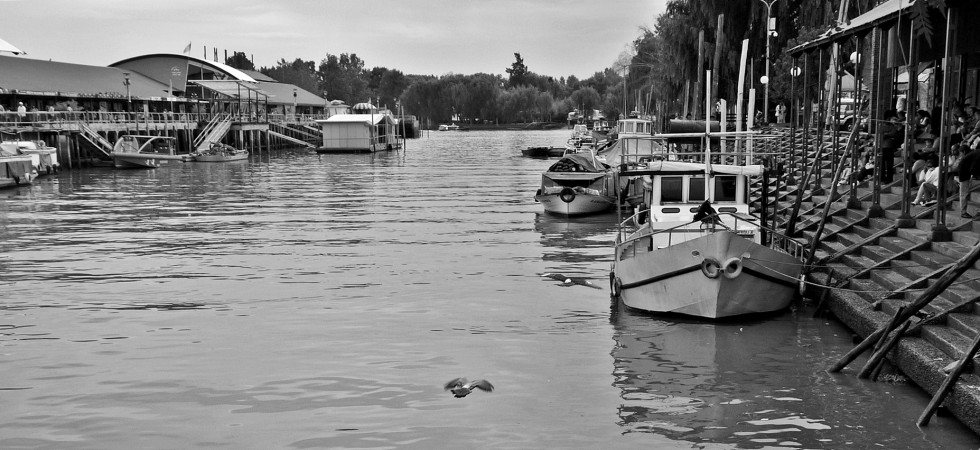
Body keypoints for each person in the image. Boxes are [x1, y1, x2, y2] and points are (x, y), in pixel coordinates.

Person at [879, 109, 903, 183]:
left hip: (890, 147)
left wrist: (887, 134)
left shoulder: (892, 126)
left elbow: (894, 133)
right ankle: (882, 178)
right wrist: (888, 134)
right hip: (883, 147)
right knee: (882, 164)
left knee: (889, 164)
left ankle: (889, 179)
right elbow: (882, 135)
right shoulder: (881, 125)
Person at [957, 147, 980, 218]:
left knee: (964, 193)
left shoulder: (977, 153)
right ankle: (963, 212)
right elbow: (973, 168)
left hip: (967, 169)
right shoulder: (978, 154)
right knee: (964, 193)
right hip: (964, 171)